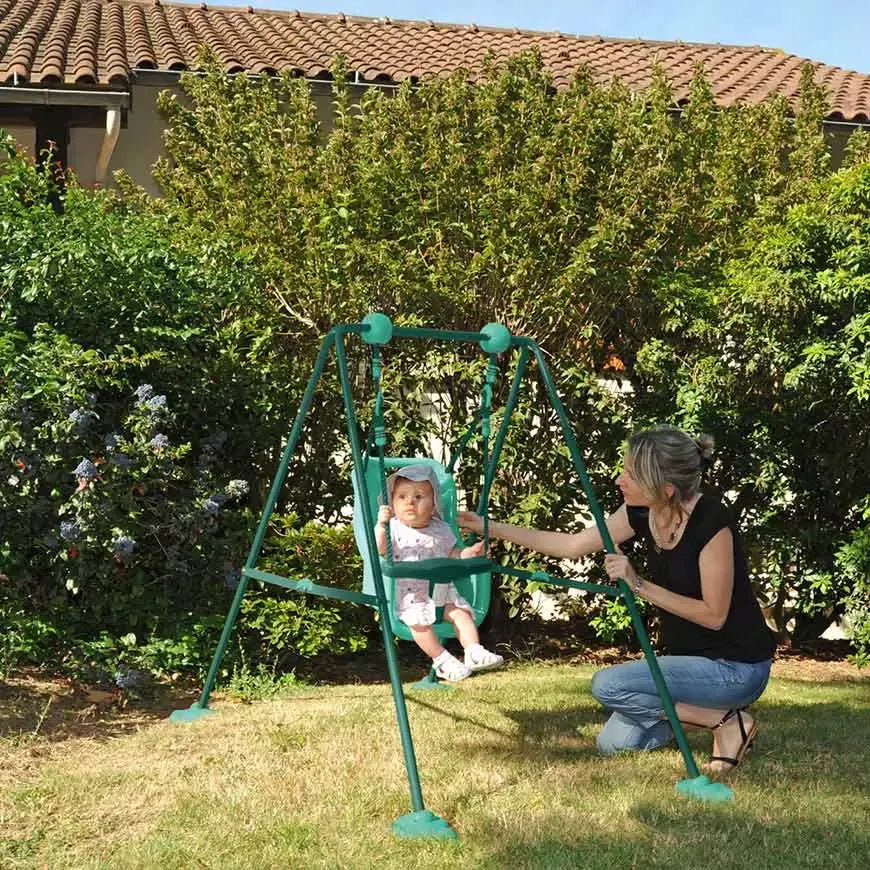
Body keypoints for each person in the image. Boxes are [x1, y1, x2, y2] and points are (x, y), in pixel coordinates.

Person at [458, 426, 776, 774]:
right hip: (688, 669)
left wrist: (637, 583)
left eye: (630, 475)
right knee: (614, 744)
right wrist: (491, 527)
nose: (620, 480)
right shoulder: (642, 512)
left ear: (665, 489)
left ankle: (728, 722)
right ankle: (707, 717)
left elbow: (714, 616)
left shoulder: (710, 522)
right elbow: (571, 545)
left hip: (734, 668)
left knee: (609, 685)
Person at [375, 464, 504, 682]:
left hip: (443, 591)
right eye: (402, 497)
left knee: (461, 614)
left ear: (434, 503)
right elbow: (380, 549)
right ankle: (442, 659)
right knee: (419, 625)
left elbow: (453, 553)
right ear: (392, 503)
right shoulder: (393, 528)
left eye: (418, 496)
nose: (410, 502)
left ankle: (473, 651)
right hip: (411, 594)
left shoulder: (440, 528)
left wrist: (469, 553)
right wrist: (381, 524)